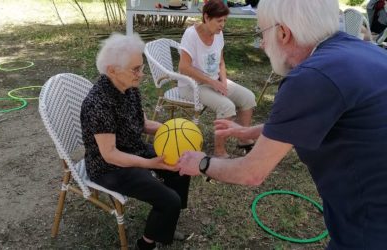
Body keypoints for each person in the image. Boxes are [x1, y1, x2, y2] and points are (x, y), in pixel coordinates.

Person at [176, 0, 387, 248]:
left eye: (262, 34)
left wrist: (201, 162)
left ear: (283, 33)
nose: (263, 44)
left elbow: (251, 173)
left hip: (371, 226)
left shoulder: (310, 78)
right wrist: (250, 131)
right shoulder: (364, 51)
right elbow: (315, 119)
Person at [80, 33, 190, 250]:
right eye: (136, 69)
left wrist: (173, 130)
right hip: (109, 168)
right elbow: (110, 154)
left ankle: (167, 220)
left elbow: (142, 123)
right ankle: (146, 243)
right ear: (112, 70)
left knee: (181, 169)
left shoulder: (128, 87)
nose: (142, 74)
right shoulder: (98, 103)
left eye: (141, 67)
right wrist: (150, 164)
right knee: (169, 199)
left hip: (133, 149)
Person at [178, 0, 256, 158]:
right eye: (219, 20)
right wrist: (213, 82)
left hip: (213, 81)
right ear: (206, 17)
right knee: (226, 106)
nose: (222, 25)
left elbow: (221, 62)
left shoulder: (218, 34)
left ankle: (244, 138)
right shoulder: (191, 35)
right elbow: (184, 67)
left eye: (225, 21)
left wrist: (223, 82)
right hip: (191, 85)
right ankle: (219, 151)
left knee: (248, 97)